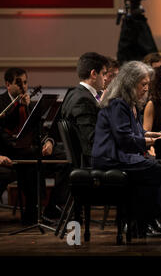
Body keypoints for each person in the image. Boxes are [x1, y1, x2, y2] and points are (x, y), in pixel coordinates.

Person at [92, 61, 161, 244]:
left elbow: (139, 133)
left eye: (148, 84)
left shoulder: (127, 103)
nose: (146, 89)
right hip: (111, 158)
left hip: (121, 157)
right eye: (143, 84)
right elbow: (125, 140)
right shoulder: (118, 104)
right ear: (130, 83)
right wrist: (158, 140)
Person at [0, 68, 56, 223]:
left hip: (25, 150)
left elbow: (39, 128)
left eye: (25, 82)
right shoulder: (2, 102)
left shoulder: (28, 103)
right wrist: (18, 106)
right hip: (7, 150)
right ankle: (33, 213)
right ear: (7, 84)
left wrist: (48, 141)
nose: (23, 87)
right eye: (18, 83)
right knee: (33, 162)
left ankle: (46, 209)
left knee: (59, 157)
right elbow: (4, 129)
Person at [61, 52, 109, 167]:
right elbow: (92, 138)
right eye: (104, 74)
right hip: (91, 160)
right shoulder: (83, 99)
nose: (106, 78)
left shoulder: (75, 93)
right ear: (93, 74)